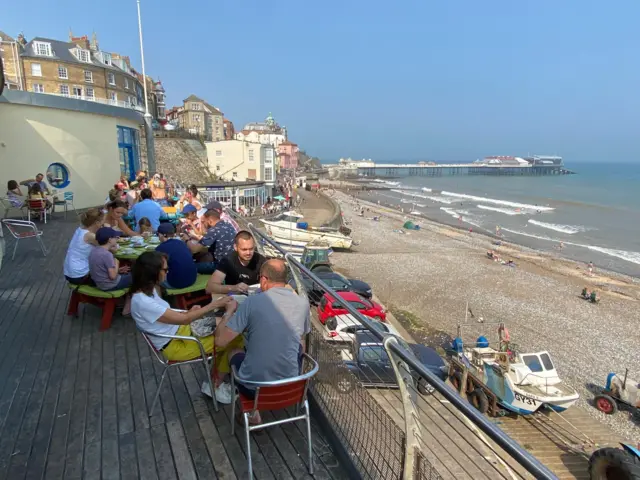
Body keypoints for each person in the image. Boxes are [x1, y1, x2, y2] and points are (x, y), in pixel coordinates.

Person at [130, 251, 236, 401]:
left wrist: (188, 312)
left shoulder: (148, 290)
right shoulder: (142, 301)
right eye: (165, 270)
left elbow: (169, 313)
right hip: (176, 344)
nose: (168, 272)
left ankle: (218, 374)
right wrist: (215, 304)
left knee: (230, 326)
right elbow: (185, 319)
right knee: (233, 337)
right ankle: (215, 385)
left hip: (181, 331)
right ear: (153, 272)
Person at [213, 259, 311, 421]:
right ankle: (256, 411)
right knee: (294, 345)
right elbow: (301, 342)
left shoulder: (252, 302)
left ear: (264, 279)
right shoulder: (303, 303)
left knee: (234, 350)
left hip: (254, 388)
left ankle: (252, 412)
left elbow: (220, 341)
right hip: (291, 386)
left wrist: (229, 312)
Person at [187, 209, 236, 274]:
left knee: (190, 266)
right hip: (233, 262)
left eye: (204, 222)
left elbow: (195, 249)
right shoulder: (228, 225)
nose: (203, 224)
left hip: (221, 266)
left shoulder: (214, 230)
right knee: (204, 255)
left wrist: (186, 239)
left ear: (210, 221)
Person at [63, 208, 104, 285]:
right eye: (102, 222)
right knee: (113, 278)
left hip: (69, 273)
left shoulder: (80, 229)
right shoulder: (90, 236)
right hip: (80, 275)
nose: (103, 224)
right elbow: (108, 247)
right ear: (97, 223)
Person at [155, 223, 197, 289]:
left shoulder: (160, 248)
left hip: (176, 283)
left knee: (153, 276)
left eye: (157, 234)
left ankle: (157, 298)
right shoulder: (182, 243)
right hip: (192, 279)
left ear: (161, 235)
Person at [89, 227, 132, 292]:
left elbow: (101, 270)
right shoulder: (107, 254)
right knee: (137, 277)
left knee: (128, 274)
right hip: (110, 285)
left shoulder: (94, 250)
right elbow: (113, 276)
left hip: (99, 283)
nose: (117, 238)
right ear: (110, 240)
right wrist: (116, 262)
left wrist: (118, 270)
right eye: (115, 237)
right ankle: (130, 299)